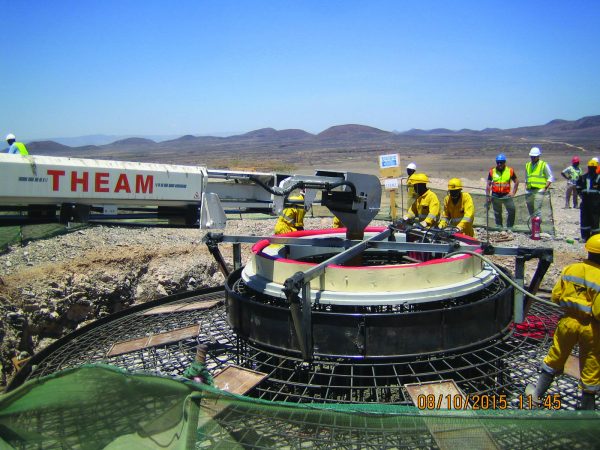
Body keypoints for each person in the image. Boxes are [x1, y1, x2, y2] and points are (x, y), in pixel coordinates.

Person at [525, 234, 600, 410]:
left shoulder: (571, 269)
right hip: (591, 329)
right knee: (591, 365)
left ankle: (536, 395)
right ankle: (587, 410)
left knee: (555, 356)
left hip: (567, 323)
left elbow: (556, 296)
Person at [486, 153, 519, 231]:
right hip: (495, 195)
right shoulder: (492, 171)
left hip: (506, 195)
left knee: (512, 210)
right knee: (497, 212)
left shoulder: (510, 170)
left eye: (501, 162)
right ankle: (499, 226)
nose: (499, 164)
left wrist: (513, 192)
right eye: (498, 162)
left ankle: (510, 226)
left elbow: (516, 181)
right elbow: (488, 184)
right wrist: (488, 195)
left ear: (504, 162)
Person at [525, 146, 554, 222]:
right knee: (531, 210)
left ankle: (537, 229)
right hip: (529, 190)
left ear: (538, 156)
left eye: (534, 157)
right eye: (531, 156)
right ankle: (533, 227)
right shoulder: (528, 165)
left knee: (537, 210)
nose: (532, 158)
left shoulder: (543, 165)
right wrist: (526, 185)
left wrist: (545, 188)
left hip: (539, 190)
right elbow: (526, 177)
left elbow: (550, 177)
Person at [576, 159, 600, 242]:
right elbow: (578, 187)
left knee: (590, 220)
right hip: (591, 203)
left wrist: (581, 194)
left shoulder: (584, 177)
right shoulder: (584, 177)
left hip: (590, 202)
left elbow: (578, 188)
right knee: (590, 220)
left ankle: (590, 237)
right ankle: (590, 237)